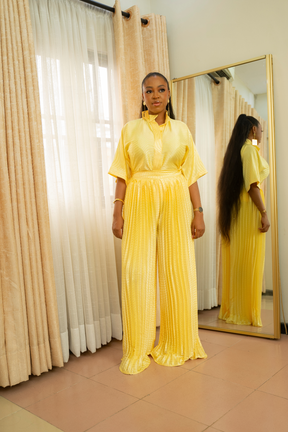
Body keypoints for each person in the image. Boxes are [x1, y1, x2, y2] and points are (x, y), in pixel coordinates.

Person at [109, 72, 207, 375]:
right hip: (139, 199)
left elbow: (189, 174)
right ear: (142, 96)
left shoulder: (182, 130)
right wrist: (117, 211)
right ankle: (137, 347)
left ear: (168, 95)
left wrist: (199, 211)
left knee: (177, 268)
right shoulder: (130, 130)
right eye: (149, 91)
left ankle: (178, 342)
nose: (155, 95)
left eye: (161, 90)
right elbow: (123, 173)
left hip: (176, 199)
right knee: (136, 271)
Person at [218, 114, 270, 327]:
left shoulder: (240, 150)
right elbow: (252, 186)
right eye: (260, 130)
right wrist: (264, 212)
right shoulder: (248, 150)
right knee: (247, 261)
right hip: (249, 211)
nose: (261, 134)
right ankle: (243, 312)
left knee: (239, 261)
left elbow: (247, 184)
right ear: (252, 130)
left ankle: (236, 309)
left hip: (239, 211)